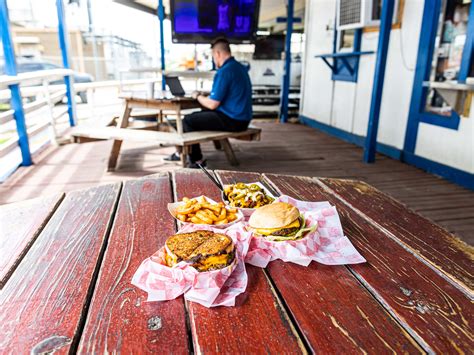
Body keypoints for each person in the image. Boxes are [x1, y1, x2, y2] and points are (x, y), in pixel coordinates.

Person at [165, 37, 252, 168]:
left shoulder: (224, 71)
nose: (213, 59)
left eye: (213, 55)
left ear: (217, 53)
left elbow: (213, 104)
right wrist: (206, 95)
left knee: (188, 120)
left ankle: (197, 161)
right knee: (200, 114)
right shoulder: (238, 67)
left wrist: (197, 95)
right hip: (242, 118)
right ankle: (181, 152)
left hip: (234, 120)